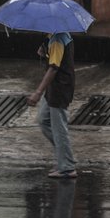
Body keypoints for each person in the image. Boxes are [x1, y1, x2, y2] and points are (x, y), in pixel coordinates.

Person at [27, 32, 77, 178]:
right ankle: (65, 158)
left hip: (60, 87)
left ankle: (67, 167)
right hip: (54, 87)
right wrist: (44, 52)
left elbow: (54, 67)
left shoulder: (57, 39)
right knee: (44, 121)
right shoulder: (52, 37)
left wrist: (38, 92)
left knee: (59, 128)